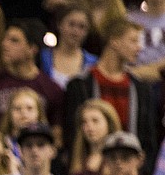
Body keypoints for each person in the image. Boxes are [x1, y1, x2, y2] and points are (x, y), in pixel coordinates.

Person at [65, 19, 158, 167]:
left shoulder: (141, 88)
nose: (139, 48)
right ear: (114, 41)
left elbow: (148, 139)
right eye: (133, 41)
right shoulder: (80, 85)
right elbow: (73, 134)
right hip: (90, 171)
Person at [0, 19, 65, 138]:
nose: (5, 44)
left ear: (32, 49)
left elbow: (56, 137)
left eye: (14, 41)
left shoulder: (52, 90)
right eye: (5, 39)